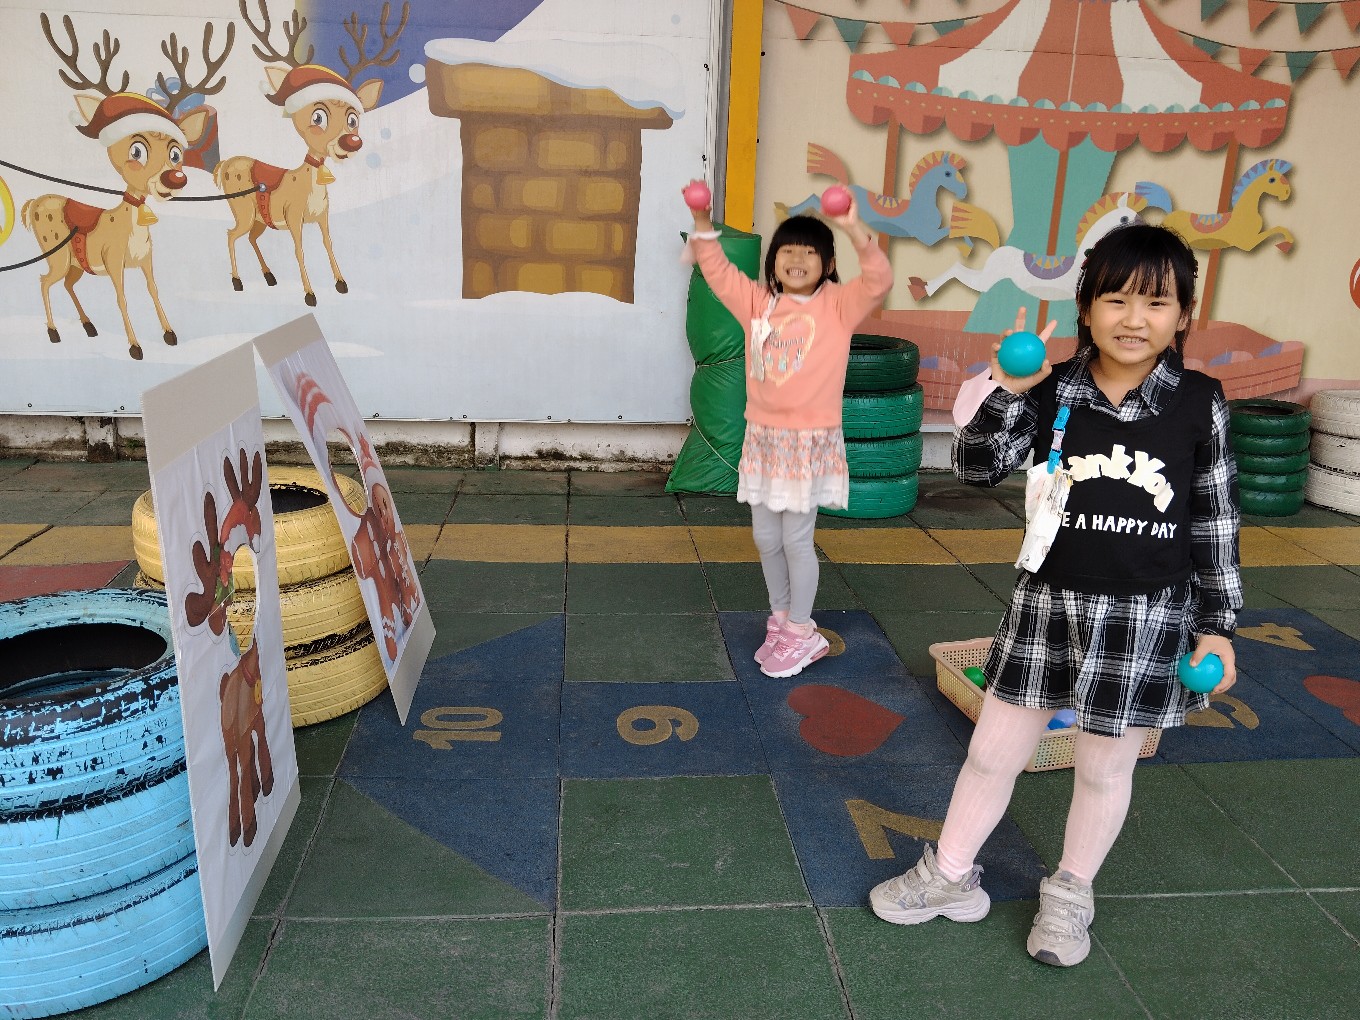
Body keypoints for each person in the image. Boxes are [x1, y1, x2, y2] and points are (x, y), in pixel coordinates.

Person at [869, 222, 1242, 966]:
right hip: (1046, 605)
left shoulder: (1200, 401)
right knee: (989, 752)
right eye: (1117, 299)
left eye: (1156, 303)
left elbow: (1215, 517)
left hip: (1145, 618)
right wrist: (1008, 390)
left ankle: (1070, 894)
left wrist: (1219, 626)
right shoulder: (1053, 387)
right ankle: (950, 877)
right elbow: (977, 468)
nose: (1134, 319)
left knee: (1104, 768)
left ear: (1184, 315)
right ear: (1085, 306)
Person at [684, 183, 893, 678]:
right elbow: (716, 269)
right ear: (772, 262)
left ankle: (802, 631)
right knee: (764, 536)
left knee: (797, 539)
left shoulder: (839, 305)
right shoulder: (758, 304)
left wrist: (852, 227)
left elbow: (879, 279)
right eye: (787, 251)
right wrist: (701, 219)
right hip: (763, 438)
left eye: (809, 252)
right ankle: (781, 620)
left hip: (809, 442)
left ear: (828, 264)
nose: (796, 259)